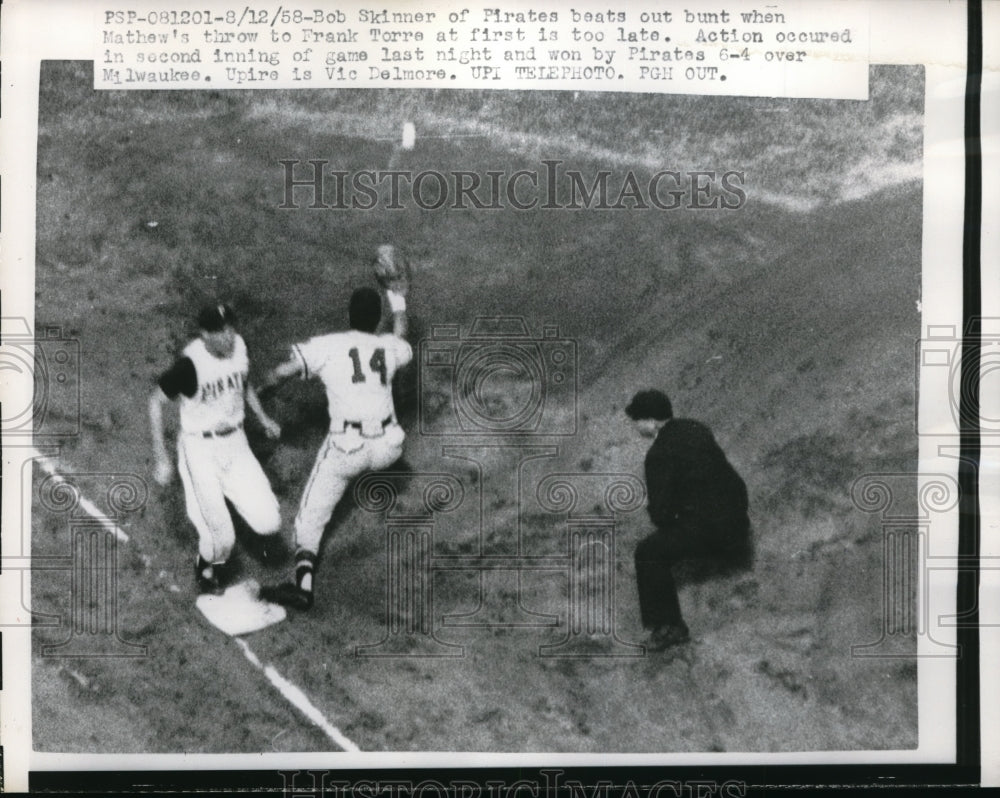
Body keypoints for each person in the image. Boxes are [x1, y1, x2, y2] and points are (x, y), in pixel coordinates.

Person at [260, 277, 411, 611]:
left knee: (309, 519)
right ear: (376, 320)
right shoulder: (388, 346)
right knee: (378, 431)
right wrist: (398, 301)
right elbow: (400, 337)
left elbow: (281, 373)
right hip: (389, 448)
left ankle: (303, 586)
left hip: (349, 452)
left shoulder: (328, 345)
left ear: (349, 315)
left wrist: (259, 396)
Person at [149, 303, 283, 594]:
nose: (229, 336)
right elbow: (156, 402)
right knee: (221, 539)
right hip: (200, 449)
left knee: (269, 522)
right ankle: (206, 569)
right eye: (220, 331)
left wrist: (262, 418)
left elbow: (242, 384)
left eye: (231, 328)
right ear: (205, 334)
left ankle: (220, 508)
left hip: (236, 444)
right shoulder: (190, 365)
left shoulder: (240, 348)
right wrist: (161, 456)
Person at [626, 389, 751, 650]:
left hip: (712, 530)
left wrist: (675, 518)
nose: (636, 426)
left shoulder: (658, 455)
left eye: (638, 420)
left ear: (652, 421)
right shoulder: (696, 428)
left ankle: (669, 627)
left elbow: (660, 513)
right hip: (737, 519)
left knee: (648, 552)